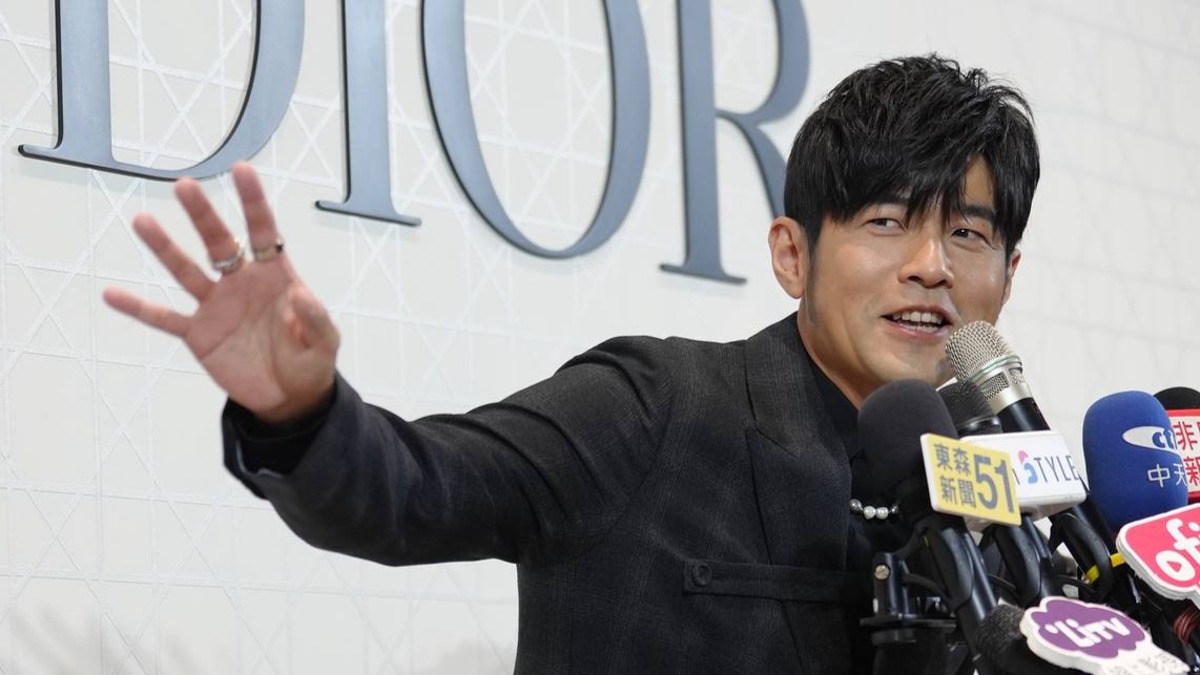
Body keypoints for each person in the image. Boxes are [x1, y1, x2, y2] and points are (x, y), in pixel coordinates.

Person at [103, 54, 1039, 674]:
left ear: (1008, 274)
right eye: (887, 221)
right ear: (793, 254)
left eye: (967, 234)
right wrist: (301, 413)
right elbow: (414, 489)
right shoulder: (656, 407)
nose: (932, 265)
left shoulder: (1018, 503)